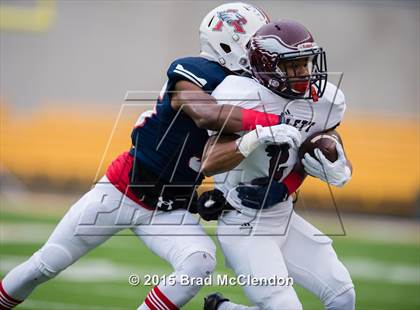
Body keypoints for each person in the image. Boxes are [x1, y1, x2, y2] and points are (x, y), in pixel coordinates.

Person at [0, 3, 305, 310]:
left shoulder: (253, 88)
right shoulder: (195, 71)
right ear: (228, 43)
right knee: (44, 265)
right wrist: (271, 123)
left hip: (170, 207)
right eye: (256, 45)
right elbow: (206, 115)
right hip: (122, 191)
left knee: (198, 263)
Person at [199, 20, 355, 310]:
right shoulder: (241, 95)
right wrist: (256, 136)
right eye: (292, 66)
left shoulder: (326, 102)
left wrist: (337, 166)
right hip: (243, 222)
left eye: (305, 63)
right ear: (267, 67)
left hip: (283, 216)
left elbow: (320, 143)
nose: (304, 73)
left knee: (343, 296)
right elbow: (208, 162)